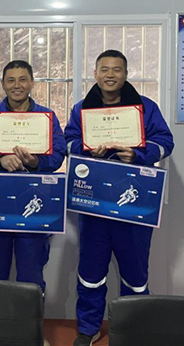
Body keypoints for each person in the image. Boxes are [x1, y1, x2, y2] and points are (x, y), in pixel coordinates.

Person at [65, 50, 174, 346]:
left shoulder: (146, 107)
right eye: (104, 69)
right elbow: (68, 142)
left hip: (134, 204)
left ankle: (133, 329)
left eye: (116, 69)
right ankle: (88, 328)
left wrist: (138, 154)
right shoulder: (81, 109)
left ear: (126, 74)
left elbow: (165, 142)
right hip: (95, 203)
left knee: (135, 273)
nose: (110, 75)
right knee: (91, 271)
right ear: (95, 74)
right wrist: (88, 149)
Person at [0, 60, 66, 345]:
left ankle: (31, 333)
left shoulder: (47, 117)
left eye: (22, 79)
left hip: (33, 208)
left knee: (32, 276)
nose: (17, 85)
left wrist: (36, 162)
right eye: (10, 80)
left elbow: (58, 154)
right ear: (3, 84)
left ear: (32, 82)